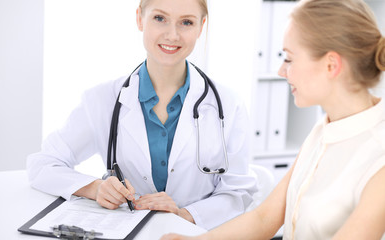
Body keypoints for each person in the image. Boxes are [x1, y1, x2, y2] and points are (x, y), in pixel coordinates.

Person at [161, 0, 385, 239]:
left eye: (288, 58)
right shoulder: (325, 129)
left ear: (331, 65)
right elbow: (265, 218)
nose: (281, 70)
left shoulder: (378, 158)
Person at [27, 0, 257, 230]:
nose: (172, 35)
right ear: (140, 19)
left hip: (196, 234)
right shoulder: (102, 100)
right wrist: (95, 188)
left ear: (201, 27)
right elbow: (42, 164)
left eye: (186, 22)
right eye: (160, 18)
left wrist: (184, 214)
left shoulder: (227, 105)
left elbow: (237, 193)